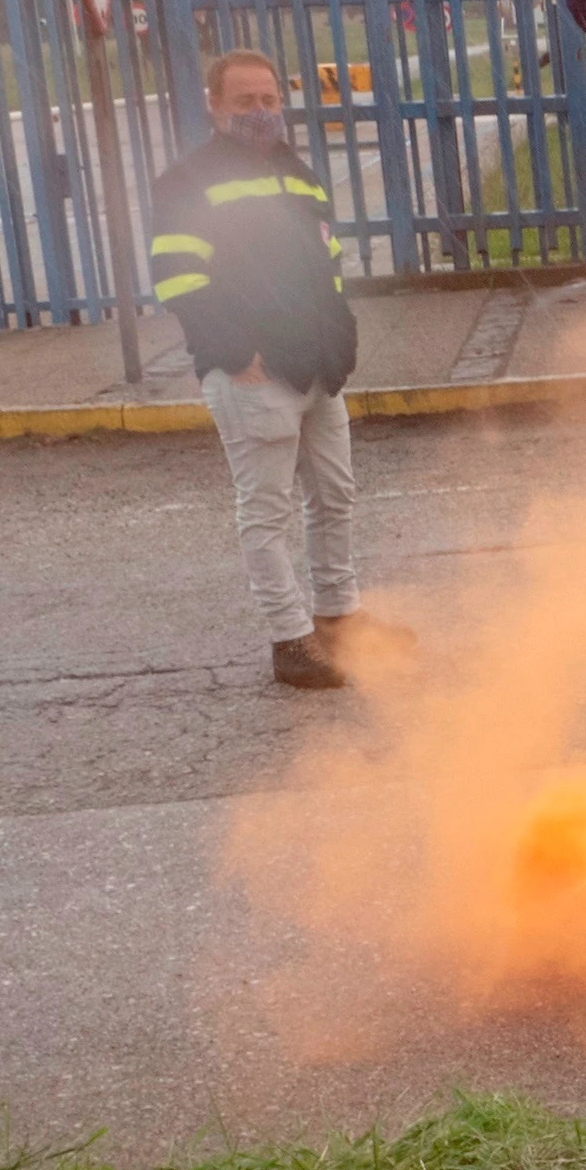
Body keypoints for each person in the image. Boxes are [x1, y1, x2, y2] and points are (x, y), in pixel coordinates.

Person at [148, 48, 391, 690]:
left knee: (335, 495)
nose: (260, 112)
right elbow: (178, 278)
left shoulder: (295, 171)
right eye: (244, 101)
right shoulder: (187, 180)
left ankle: (340, 618)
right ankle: (291, 641)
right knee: (267, 510)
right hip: (253, 372)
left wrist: (340, 340)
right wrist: (236, 355)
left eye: (269, 99)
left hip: (317, 366)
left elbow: (328, 260)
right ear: (214, 104)